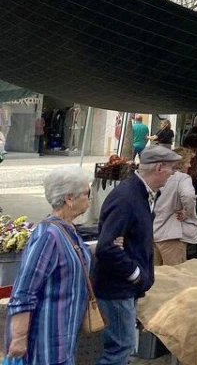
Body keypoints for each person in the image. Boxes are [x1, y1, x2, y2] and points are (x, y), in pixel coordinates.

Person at [94, 145, 180, 365]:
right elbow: (107, 247)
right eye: (172, 168)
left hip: (123, 288)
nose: (173, 173)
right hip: (117, 289)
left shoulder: (141, 194)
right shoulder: (127, 197)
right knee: (120, 348)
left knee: (122, 347)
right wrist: (136, 274)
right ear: (159, 167)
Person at [4, 167, 93, 365]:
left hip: (64, 338)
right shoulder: (48, 236)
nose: (90, 198)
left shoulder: (68, 229)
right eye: (87, 193)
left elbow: (73, 258)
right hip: (45, 344)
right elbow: (23, 292)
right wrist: (18, 339)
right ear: (69, 198)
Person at [152, 147, 197, 266]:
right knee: (175, 276)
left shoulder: (157, 176)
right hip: (172, 235)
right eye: (188, 162)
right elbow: (188, 196)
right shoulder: (183, 178)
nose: (189, 165)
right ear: (181, 163)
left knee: (154, 277)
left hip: (152, 233)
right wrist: (188, 213)